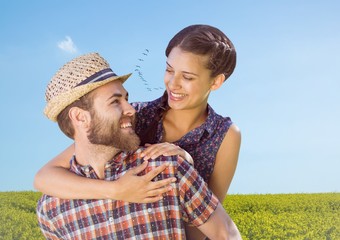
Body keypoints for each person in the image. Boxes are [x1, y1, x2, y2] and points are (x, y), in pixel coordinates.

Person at [34, 24, 241, 238]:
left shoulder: (223, 135)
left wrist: (187, 164)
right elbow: (48, 175)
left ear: (216, 81)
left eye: (187, 77)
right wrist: (117, 190)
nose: (173, 83)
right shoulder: (137, 115)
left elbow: (213, 218)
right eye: (169, 70)